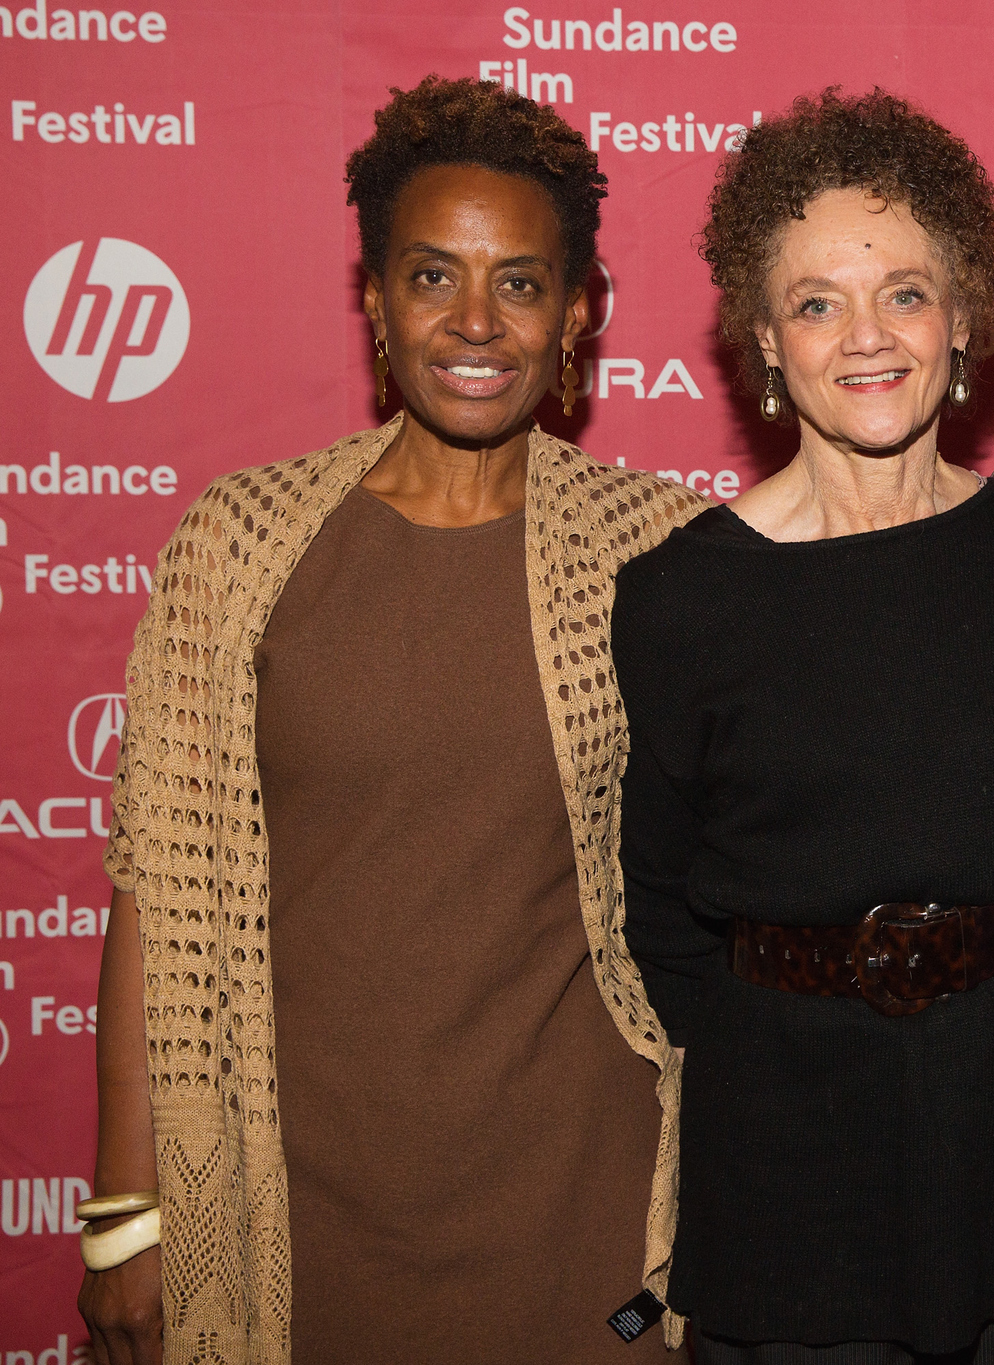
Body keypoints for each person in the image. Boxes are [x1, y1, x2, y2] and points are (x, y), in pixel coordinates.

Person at [78, 76, 703, 1365]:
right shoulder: (241, 544)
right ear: (373, 297)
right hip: (297, 1211)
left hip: (584, 1209)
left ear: (579, 312)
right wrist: (128, 1216)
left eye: (522, 283)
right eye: (432, 276)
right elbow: (158, 888)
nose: (476, 321)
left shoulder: (662, 550)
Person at [612, 88, 994, 1365]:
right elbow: (662, 898)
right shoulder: (681, 595)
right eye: (816, 301)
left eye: (903, 293)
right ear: (764, 338)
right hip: (787, 1144)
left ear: (962, 319)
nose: (866, 337)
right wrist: (787, 1031)